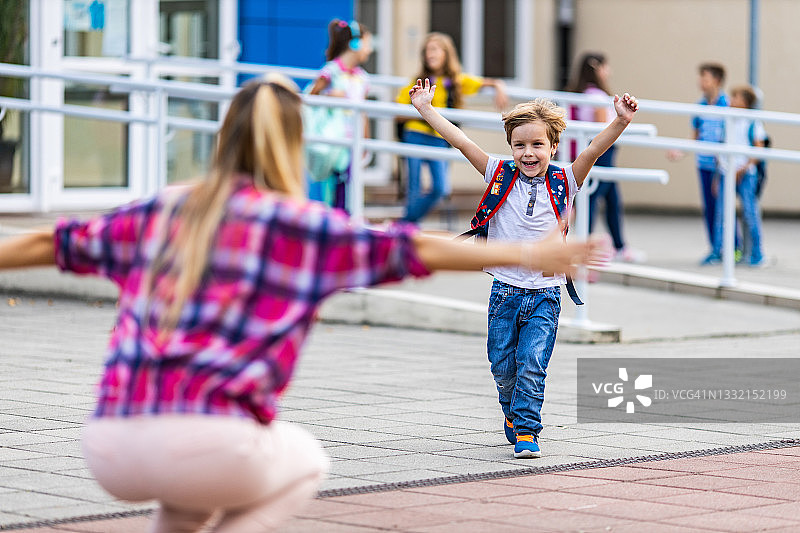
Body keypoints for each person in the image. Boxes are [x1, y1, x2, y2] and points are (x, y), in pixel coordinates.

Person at [0, 74, 606, 532]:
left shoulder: (164, 208)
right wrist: (532, 258)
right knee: (305, 460)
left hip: (110, 444)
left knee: (186, 504)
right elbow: (409, 249)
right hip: (215, 439)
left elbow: (45, 241)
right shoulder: (303, 228)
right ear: (294, 146)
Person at [409, 78, 638, 458]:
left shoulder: (565, 178)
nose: (528, 153)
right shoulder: (499, 172)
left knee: (531, 364)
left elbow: (595, 150)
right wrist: (425, 109)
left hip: (545, 295)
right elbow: (460, 141)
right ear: (510, 147)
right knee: (502, 366)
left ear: (553, 146)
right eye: (520, 145)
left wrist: (621, 120)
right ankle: (513, 413)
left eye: (537, 145)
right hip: (504, 291)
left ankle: (528, 430)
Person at [396, 32, 508, 223]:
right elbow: (398, 109)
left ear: (446, 54)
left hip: (439, 138)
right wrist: (421, 110)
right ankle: (408, 229)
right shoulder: (419, 79)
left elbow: (487, 82)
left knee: (440, 188)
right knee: (413, 186)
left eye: (434, 50)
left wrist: (499, 88)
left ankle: (404, 223)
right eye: (426, 51)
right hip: (415, 133)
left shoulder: (456, 80)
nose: (430, 54)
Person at [566, 52, 644, 264]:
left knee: (611, 199)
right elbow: (602, 127)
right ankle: (584, 247)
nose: (608, 72)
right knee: (593, 199)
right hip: (603, 150)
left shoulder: (580, 93)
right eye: (606, 67)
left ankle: (619, 245)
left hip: (597, 149)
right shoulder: (597, 96)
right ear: (597, 68)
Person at [668, 62, 736, 265]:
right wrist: (680, 152)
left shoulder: (727, 104)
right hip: (703, 164)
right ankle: (715, 248)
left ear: (716, 80)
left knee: (724, 207)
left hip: (721, 165)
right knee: (710, 208)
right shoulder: (700, 106)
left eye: (705, 77)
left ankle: (733, 247)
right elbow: (695, 135)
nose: (701, 82)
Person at [305, 19, 373, 212]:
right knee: (331, 189)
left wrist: (366, 143)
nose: (369, 49)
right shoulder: (330, 72)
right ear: (355, 43)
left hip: (353, 142)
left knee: (349, 189)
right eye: (367, 44)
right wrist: (329, 96)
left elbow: (363, 113)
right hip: (332, 142)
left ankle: (343, 225)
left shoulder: (362, 78)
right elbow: (309, 98)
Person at [711, 85, 768, 267]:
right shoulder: (727, 120)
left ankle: (757, 253)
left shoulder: (753, 122)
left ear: (745, 102)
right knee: (721, 214)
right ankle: (717, 251)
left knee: (750, 213)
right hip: (726, 173)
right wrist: (721, 172)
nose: (731, 101)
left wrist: (742, 168)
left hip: (746, 174)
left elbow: (758, 149)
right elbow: (720, 147)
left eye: (735, 97)